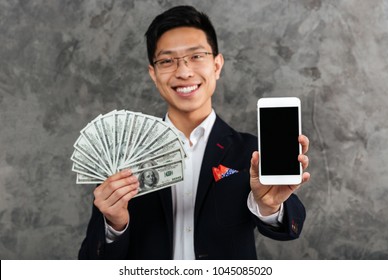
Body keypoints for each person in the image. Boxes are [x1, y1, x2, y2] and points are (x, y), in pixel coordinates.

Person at [79, 5, 310, 260]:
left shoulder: (251, 152)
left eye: (196, 56)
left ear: (217, 65)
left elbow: (291, 226)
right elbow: (90, 261)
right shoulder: (123, 158)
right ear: (153, 74)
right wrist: (114, 224)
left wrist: (270, 206)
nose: (184, 71)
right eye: (167, 61)